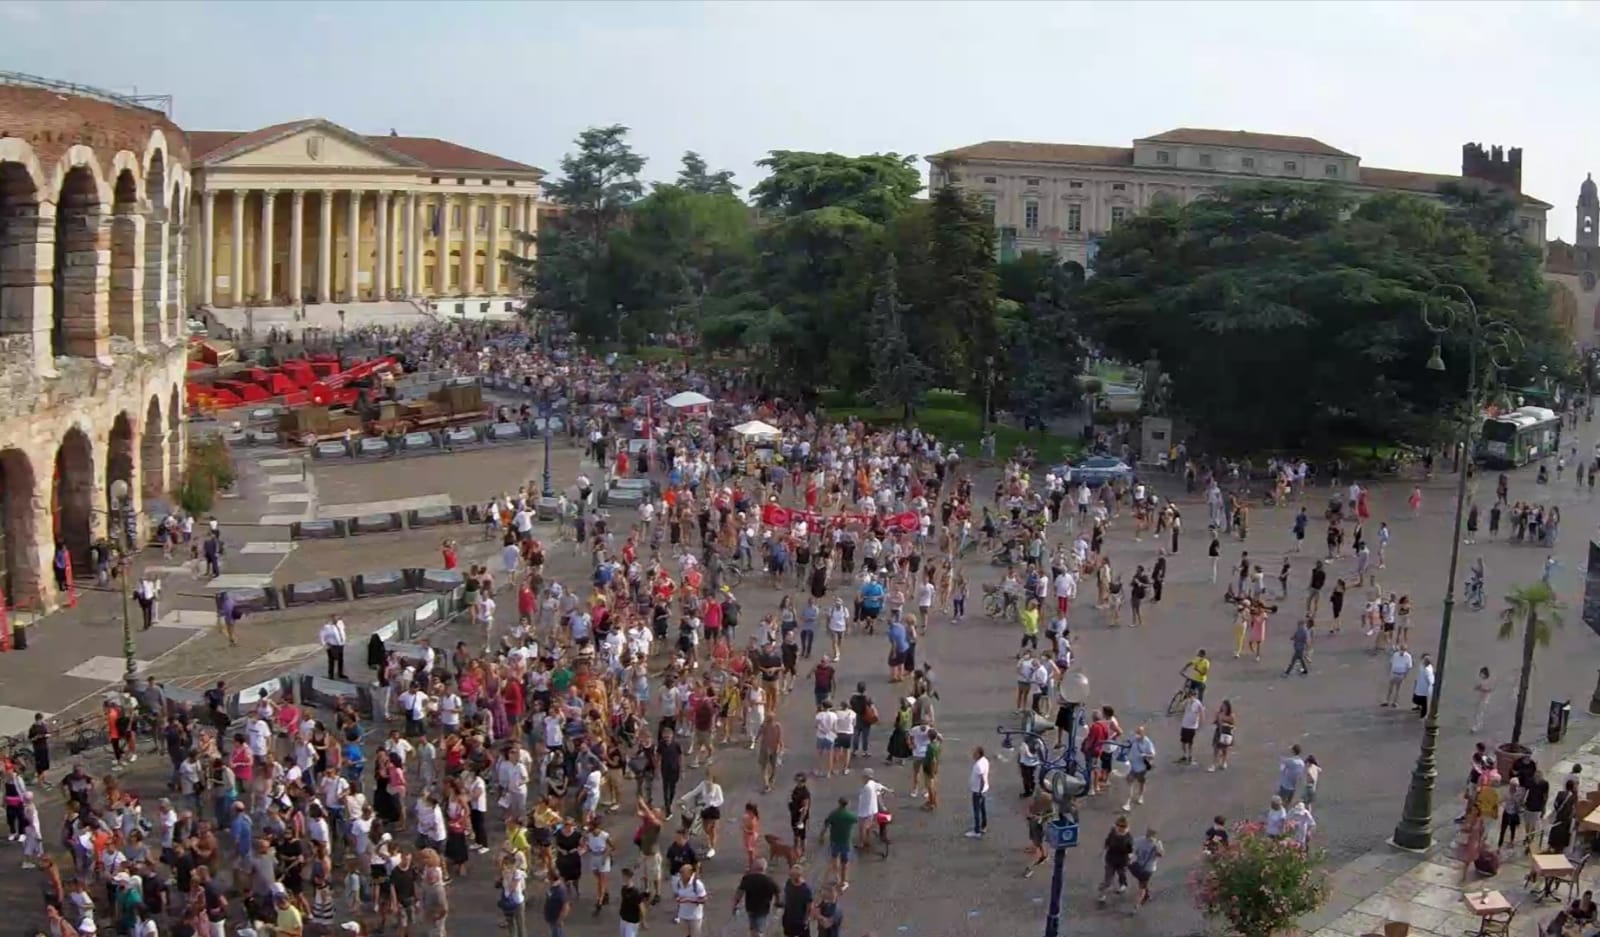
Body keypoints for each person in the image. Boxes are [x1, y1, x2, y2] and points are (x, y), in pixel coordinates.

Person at [731, 858, 780, 937]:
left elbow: (739, 893)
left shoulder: (747, 879)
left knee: (753, 927)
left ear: (755, 867)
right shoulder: (769, 880)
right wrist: (777, 903)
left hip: (750, 908)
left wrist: (735, 905)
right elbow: (777, 891)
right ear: (764, 868)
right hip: (763, 909)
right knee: (759, 929)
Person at [819, 797, 856, 892]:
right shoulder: (849, 816)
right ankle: (843, 881)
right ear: (847, 805)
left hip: (834, 841)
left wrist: (821, 835)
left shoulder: (833, 814)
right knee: (845, 862)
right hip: (845, 842)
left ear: (839, 803)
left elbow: (826, 825)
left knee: (834, 858)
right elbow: (855, 820)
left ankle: (837, 877)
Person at [1097, 815, 1135, 906]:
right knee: (1108, 879)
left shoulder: (1128, 838)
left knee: (1122, 874)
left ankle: (1123, 884)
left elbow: (1130, 851)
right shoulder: (1113, 833)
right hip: (1111, 860)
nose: (1121, 828)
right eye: (1119, 826)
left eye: (1123, 826)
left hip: (1122, 861)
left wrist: (1130, 857)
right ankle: (1102, 894)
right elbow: (1107, 841)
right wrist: (1104, 849)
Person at [1130, 827, 1164, 908]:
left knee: (1142, 885)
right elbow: (1131, 848)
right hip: (1139, 865)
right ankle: (1146, 894)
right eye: (1149, 834)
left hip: (1149, 869)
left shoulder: (1157, 843)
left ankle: (1138, 903)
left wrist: (1157, 850)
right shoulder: (1140, 840)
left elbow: (1161, 854)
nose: (1150, 836)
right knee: (1142, 883)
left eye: (1152, 834)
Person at [671, 861, 707, 936]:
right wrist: (677, 898)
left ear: (690, 873)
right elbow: (677, 894)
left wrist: (689, 900)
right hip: (683, 915)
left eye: (682, 872)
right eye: (680, 872)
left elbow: (704, 899)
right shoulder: (679, 883)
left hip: (695, 917)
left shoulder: (697, 884)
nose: (680, 874)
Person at [965, 746, 990, 838]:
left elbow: (982, 780)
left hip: (978, 791)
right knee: (982, 809)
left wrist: (979, 791)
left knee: (977, 811)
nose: (973, 755)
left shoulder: (978, 765)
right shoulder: (985, 761)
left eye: (975, 753)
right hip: (983, 790)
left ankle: (977, 830)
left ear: (979, 754)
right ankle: (984, 826)